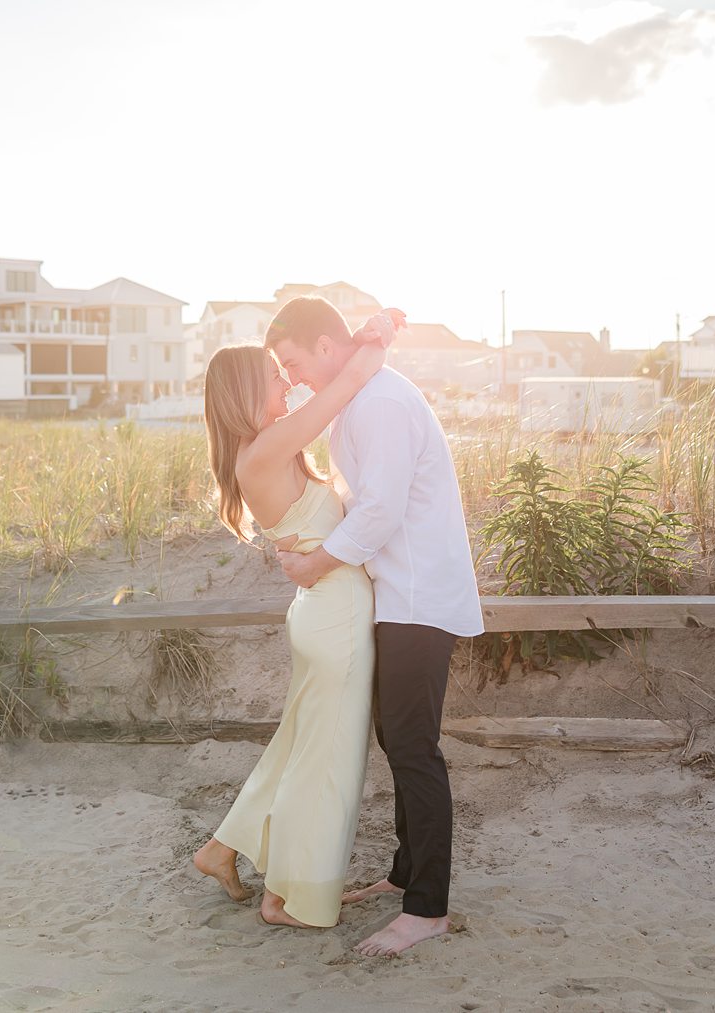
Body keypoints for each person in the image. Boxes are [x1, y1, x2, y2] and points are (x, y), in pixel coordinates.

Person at [265, 296, 484, 957]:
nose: (295, 377)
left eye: (295, 362)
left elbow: (382, 509)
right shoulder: (360, 398)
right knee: (398, 737)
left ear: (328, 347)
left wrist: (313, 564)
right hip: (399, 593)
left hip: (418, 594)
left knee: (415, 747)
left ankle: (428, 907)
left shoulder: (380, 402)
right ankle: (403, 874)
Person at [191, 311, 398, 929]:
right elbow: (344, 387)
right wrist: (377, 335)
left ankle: (222, 849)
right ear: (244, 395)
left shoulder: (265, 451)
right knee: (326, 764)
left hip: (326, 612)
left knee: (299, 749)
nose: (288, 388)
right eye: (275, 380)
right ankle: (288, 897)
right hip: (334, 618)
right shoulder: (264, 452)